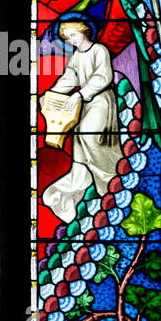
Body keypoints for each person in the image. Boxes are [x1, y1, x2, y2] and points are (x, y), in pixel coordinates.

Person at [40, 19, 123, 223]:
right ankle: (86, 186)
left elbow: (104, 76)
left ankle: (112, 179)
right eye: (67, 38)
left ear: (83, 31)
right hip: (86, 103)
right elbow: (69, 79)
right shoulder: (76, 56)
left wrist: (80, 94)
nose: (70, 40)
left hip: (102, 100)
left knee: (90, 135)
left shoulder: (99, 50)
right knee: (80, 141)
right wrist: (49, 94)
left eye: (72, 34)